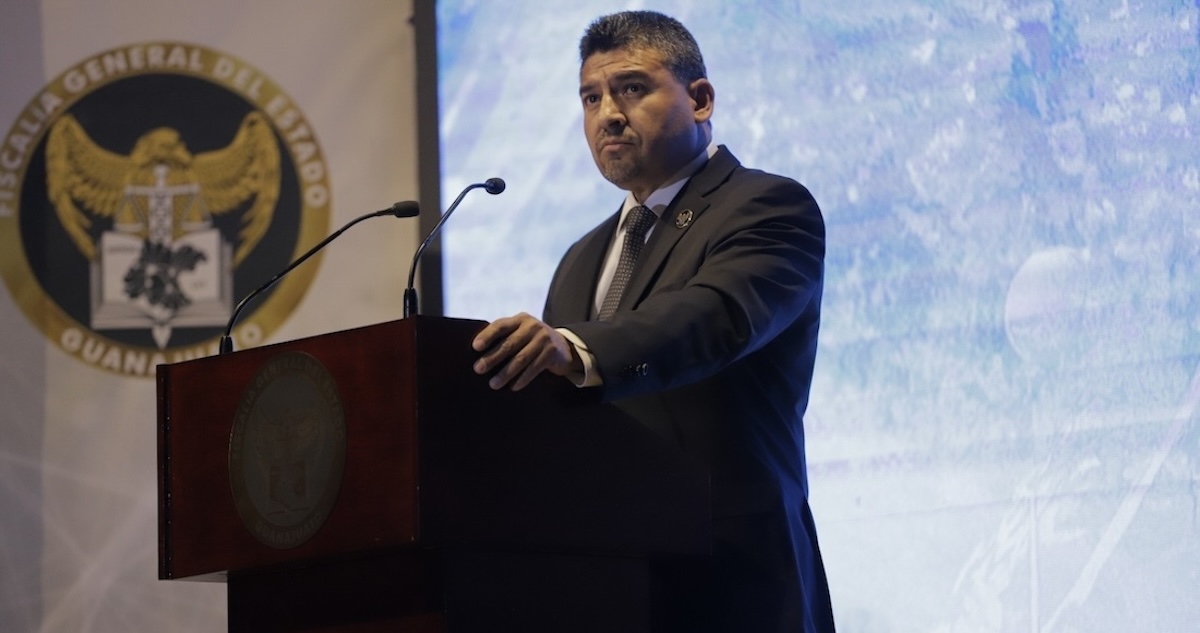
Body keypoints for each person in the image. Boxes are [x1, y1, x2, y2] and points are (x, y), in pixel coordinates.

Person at [471, 10, 835, 633]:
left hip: (734, 580)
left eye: (632, 88)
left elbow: (713, 317)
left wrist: (576, 349)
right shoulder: (581, 258)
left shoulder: (767, 207)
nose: (608, 114)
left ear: (700, 99)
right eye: (591, 98)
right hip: (606, 584)